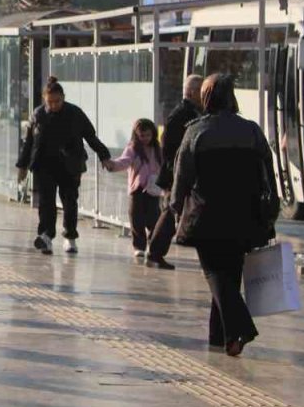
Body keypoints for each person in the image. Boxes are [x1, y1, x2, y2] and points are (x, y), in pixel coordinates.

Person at [170, 73, 277, 357]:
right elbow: (269, 167)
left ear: (206, 98)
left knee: (215, 273)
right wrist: (272, 207)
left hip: (208, 215)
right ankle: (221, 338)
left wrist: (175, 207)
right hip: (246, 214)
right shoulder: (251, 130)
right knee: (231, 273)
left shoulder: (196, 131)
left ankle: (242, 328)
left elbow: (182, 175)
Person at [16, 76, 114, 255]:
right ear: (45, 99)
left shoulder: (75, 114)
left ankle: (70, 237)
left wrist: (104, 155)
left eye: (57, 101)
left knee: (70, 202)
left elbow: (90, 137)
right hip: (44, 165)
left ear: (63, 97)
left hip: (70, 165)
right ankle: (46, 236)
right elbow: (29, 143)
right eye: (50, 102)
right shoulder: (38, 115)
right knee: (46, 204)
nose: (53, 105)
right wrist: (22, 166)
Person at [145, 75, 204, 270]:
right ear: (192, 91)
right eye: (201, 90)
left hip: (183, 171)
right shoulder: (181, 114)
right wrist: (176, 168)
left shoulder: (193, 111)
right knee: (172, 210)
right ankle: (154, 252)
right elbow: (168, 146)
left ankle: (154, 252)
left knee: (173, 210)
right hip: (178, 172)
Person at [106, 119, 165, 259]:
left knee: (154, 219)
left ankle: (153, 245)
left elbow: (164, 165)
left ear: (153, 134)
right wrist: (112, 165)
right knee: (136, 219)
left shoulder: (158, 149)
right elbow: (124, 161)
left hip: (153, 190)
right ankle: (139, 247)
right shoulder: (133, 148)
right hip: (136, 190)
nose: (145, 139)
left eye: (148, 135)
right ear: (136, 135)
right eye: (142, 136)